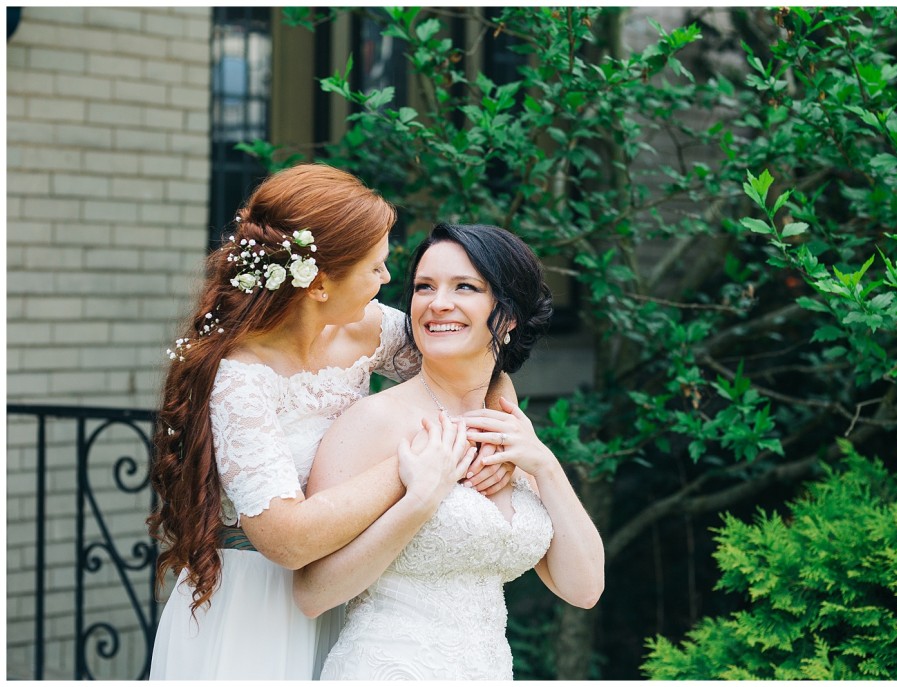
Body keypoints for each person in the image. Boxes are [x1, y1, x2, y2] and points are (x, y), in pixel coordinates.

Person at [146, 165, 513, 680]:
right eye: (375, 268)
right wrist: (412, 470)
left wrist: (495, 439)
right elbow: (286, 539)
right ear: (319, 284)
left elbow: (474, 361)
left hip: (355, 596)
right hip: (257, 613)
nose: (388, 281)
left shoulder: (367, 329)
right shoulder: (240, 379)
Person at [293, 223, 605, 680]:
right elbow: (312, 594)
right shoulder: (373, 422)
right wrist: (419, 501)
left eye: (465, 287)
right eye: (424, 287)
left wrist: (544, 463)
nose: (438, 303)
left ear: (510, 314)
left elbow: (584, 589)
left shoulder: (508, 430)